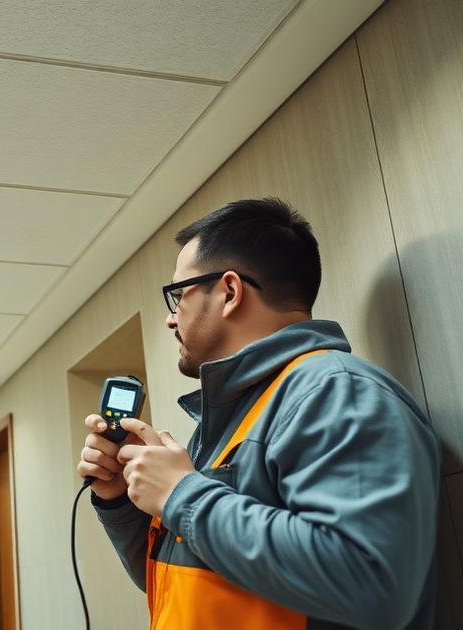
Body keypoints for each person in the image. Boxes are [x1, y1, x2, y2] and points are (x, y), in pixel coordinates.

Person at [76, 198, 440, 629]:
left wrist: (181, 495)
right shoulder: (237, 417)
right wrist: (120, 498)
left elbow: (372, 584)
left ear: (230, 291)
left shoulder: (337, 391)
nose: (169, 321)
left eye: (178, 295)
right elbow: (191, 580)